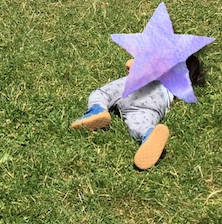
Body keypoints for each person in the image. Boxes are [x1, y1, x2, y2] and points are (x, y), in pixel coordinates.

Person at [71, 55, 207, 171]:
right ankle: (148, 134)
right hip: (158, 102)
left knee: (103, 93)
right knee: (140, 121)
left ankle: (97, 110)